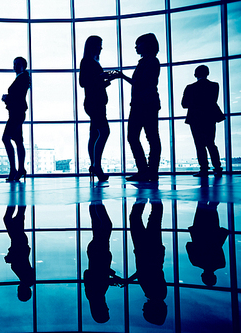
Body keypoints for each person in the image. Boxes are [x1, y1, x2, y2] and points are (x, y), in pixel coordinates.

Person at [118, 33, 161, 182]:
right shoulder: (146, 62)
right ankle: (148, 171)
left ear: (147, 45)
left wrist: (122, 76)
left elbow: (141, 83)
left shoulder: (151, 62)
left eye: (138, 44)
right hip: (143, 104)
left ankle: (147, 171)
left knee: (146, 138)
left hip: (145, 104)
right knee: (147, 138)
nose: (136, 47)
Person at [79, 36, 118, 182]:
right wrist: (101, 77)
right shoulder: (88, 62)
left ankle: (95, 165)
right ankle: (97, 166)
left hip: (95, 102)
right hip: (95, 103)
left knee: (94, 134)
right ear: (92, 46)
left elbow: (91, 83)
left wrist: (106, 79)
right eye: (99, 45)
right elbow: (83, 82)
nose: (101, 48)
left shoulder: (91, 62)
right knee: (104, 132)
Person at [126, 198, 167, 326]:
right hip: (145, 251)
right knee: (137, 218)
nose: (143, 308)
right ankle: (144, 196)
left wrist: (129, 280)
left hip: (152, 251)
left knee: (154, 219)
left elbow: (145, 272)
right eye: (145, 311)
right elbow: (145, 271)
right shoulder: (154, 292)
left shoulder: (159, 293)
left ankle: (150, 196)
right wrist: (128, 280)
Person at [181, 65, 225, 178]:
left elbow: (184, 104)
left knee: (199, 145)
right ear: (207, 73)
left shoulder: (190, 88)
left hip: (195, 118)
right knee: (211, 143)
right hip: (210, 117)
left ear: (195, 74)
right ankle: (217, 167)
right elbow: (212, 101)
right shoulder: (214, 86)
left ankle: (204, 169)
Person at [84, 201, 123, 323]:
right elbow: (89, 274)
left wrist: (111, 275)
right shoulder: (93, 295)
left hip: (99, 253)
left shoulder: (97, 293)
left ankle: (97, 202)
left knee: (106, 225)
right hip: (95, 253)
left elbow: (96, 274)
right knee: (97, 224)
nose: (107, 307)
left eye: (105, 310)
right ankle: (94, 202)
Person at [186, 201, 228, 286]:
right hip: (199, 232)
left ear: (214, 276)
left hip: (213, 233)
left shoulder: (221, 263)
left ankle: (215, 190)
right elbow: (189, 245)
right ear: (203, 275)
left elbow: (218, 247)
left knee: (213, 208)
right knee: (201, 206)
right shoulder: (196, 262)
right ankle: (204, 188)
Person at [2, 57, 30, 182]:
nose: (16, 66)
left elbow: (17, 96)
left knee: (6, 138)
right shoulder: (22, 77)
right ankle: (20, 169)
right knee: (18, 141)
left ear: (24, 66)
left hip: (16, 114)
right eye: (14, 64)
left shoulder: (23, 78)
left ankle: (14, 169)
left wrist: (6, 98)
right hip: (17, 113)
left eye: (18, 64)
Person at [3, 206, 34, 301]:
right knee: (7, 219)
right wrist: (9, 258)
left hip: (21, 241)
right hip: (18, 241)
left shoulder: (27, 279)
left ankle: (20, 198)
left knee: (19, 217)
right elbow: (19, 259)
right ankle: (13, 201)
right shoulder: (25, 278)